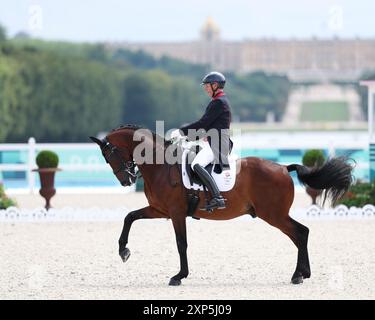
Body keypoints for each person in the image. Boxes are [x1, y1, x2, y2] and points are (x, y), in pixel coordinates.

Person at [171, 71, 233, 211]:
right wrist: (188, 137)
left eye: (207, 86)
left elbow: (203, 123)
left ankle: (217, 197)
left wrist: (182, 132)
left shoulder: (218, 102)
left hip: (217, 144)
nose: (205, 88)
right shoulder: (219, 101)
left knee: (196, 164)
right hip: (214, 140)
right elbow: (209, 126)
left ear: (215, 85)